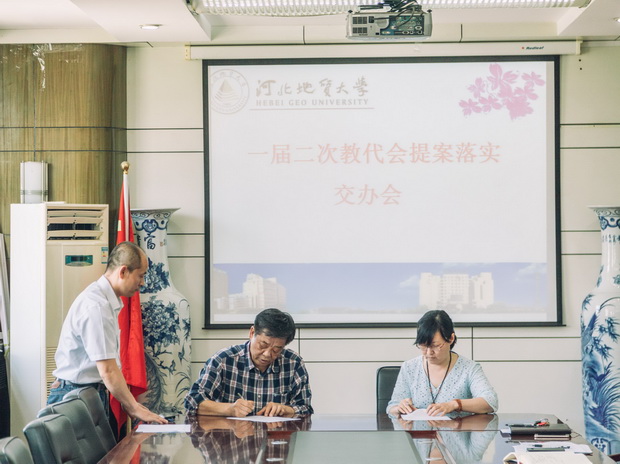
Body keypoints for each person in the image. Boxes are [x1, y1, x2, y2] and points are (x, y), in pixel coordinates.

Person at [47, 241, 166, 424]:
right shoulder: (97, 306)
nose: (142, 283)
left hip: (87, 393)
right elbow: (108, 370)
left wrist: (132, 404)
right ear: (123, 271)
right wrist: (133, 407)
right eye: (140, 276)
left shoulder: (105, 301)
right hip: (74, 396)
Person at [185, 308, 313, 417]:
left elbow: (305, 408)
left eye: (276, 349)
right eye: (263, 345)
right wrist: (230, 409)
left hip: (275, 436)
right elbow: (192, 402)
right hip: (230, 436)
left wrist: (287, 410)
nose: (267, 354)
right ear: (252, 333)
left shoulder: (293, 363)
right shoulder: (224, 360)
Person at [387, 309, 498, 417]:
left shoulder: (469, 368)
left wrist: (454, 405)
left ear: (451, 338)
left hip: (458, 428)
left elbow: (491, 401)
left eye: (435, 346)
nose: (429, 353)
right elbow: (392, 407)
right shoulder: (409, 367)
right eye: (423, 346)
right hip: (418, 429)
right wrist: (399, 408)